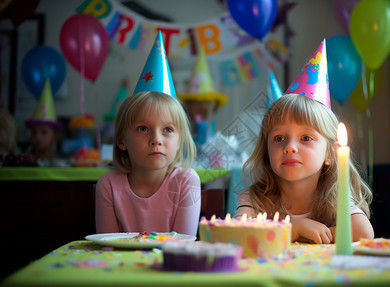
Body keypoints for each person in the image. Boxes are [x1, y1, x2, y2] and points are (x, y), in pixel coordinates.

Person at [234, 39, 374, 244]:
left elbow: (363, 232)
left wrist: (307, 234)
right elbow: (237, 234)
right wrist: (293, 228)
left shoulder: (336, 197)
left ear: (330, 154)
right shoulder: (254, 198)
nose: (289, 147)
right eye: (279, 138)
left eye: (306, 138)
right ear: (266, 150)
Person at [95, 31, 201, 236]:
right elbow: (107, 247)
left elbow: (181, 245)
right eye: (143, 129)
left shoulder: (186, 181)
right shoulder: (108, 185)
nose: (156, 140)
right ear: (121, 140)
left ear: (180, 141)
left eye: (168, 130)